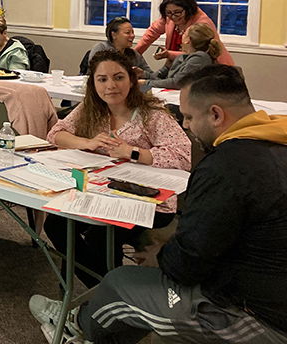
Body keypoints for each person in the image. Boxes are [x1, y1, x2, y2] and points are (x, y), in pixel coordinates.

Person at [30, 65, 287, 344]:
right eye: (101, 79)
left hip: (254, 315)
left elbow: (188, 261)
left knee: (121, 282)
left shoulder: (225, 167)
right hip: (259, 286)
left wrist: (161, 258)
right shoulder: (274, 143)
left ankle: (75, 325)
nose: (186, 125)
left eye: (188, 117)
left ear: (216, 114)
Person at [43, 49, 191, 288]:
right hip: (101, 192)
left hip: (150, 200)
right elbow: (56, 134)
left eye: (118, 77)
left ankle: (110, 295)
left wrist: (133, 152)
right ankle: (109, 291)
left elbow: (182, 156)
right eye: (102, 79)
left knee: (102, 235)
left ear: (132, 80)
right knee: (56, 224)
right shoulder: (91, 109)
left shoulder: (151, 114)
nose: (110, 85)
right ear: (93, 83)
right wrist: (87, 143)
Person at [135, 0, 234, 66]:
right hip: (183, 67)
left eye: (177, 12)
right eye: (168, 13)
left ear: (188, 9)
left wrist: (169, 54)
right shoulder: (169, 17)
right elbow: (152, 32)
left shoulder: (202, 23)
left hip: (214, 71)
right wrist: (135, 54)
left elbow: (197, 56)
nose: (173, 17)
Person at [141, 23, 222, 90]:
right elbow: (164, 79)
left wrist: (146, 83)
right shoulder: (184, 57)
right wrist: (144, 75)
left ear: (188, 40)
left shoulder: (200, 58)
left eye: (183, 33)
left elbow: (177, 82)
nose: (181, 35)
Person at [84, 16, 153, 78]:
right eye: (127, 32)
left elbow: (152, 75)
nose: (132, 35)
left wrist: (143, 74)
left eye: (133, 32)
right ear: (114, 35)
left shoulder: (134, 54)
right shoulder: (101, 48)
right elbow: (96, 72)